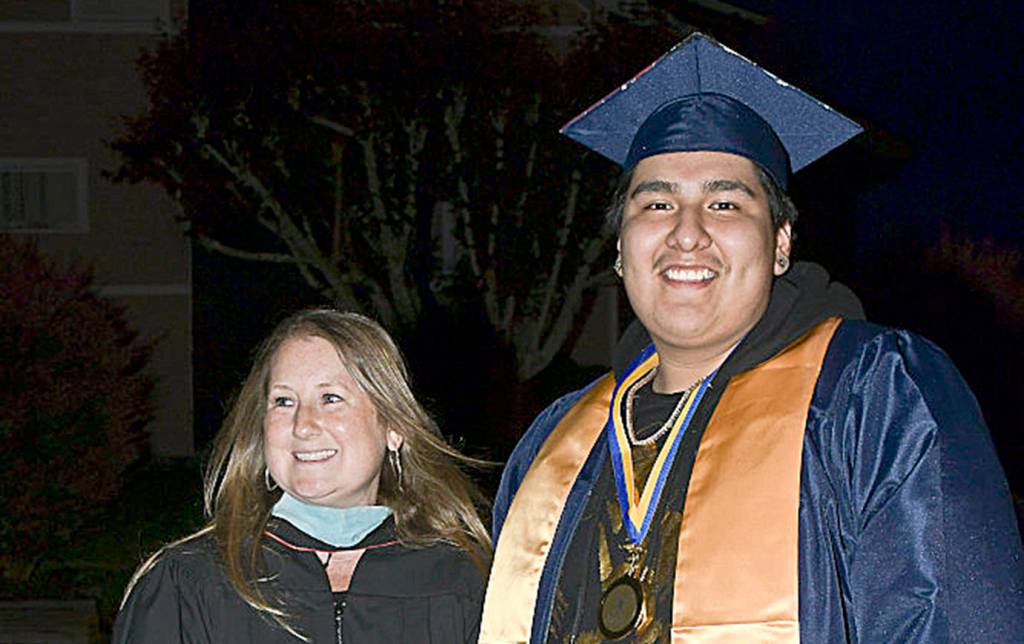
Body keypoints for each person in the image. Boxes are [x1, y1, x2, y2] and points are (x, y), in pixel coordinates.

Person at [480, 33, 1024, 643]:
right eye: (656, 205)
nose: (686, 234)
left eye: (725, 205)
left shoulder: (872, 399)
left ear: (782, 243)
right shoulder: (553, 442)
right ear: (619, 249)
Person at [114, 309, 490, 643]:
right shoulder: (188, 584)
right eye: (283, 401)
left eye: (330, 398)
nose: (303, 425)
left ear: (393, 426)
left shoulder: (460, 581)